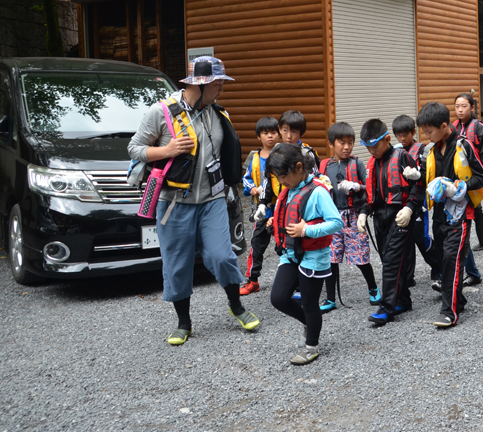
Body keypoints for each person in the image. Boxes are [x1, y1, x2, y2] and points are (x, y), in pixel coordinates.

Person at [127, 56, 259, 346]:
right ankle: (183, 323)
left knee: (222, 256)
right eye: (218, 84)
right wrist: (167, 150)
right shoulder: (160, 113)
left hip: (212, 200)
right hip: (174, 202)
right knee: (177, 263)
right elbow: (134, 149)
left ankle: (236, 306)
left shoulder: (217, 112)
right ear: (200, 85)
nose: (222, 89)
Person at [267, 143, 342, 365]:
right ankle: (309, 323)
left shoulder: (318, 192)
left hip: (313, 256)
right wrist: (274, 221)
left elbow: (335, 223)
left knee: (310, 303)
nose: (281, 182)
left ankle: (312, 346)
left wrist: (306, 230)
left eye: (284, 177)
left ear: (299, 167)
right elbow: (287, 215)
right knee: (278, 298)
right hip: (290, 253)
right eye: (278, 178)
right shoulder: (289, 190)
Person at [418, 102, 483, 327]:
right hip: (438, 214)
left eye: (430, 131)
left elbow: (482, 177)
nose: (427, 136)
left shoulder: (463, 145)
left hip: (459, 216)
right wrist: (416, 176)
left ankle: (449, 311)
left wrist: (458, 187)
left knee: (452, 260)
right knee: (442, 259)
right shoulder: (431, 149)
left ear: (443, 126)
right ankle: (458, 298)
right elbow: (426, 177)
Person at [359, 119, 423, 325]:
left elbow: (418, 184)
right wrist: (363, 213)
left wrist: (410, 208)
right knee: (389, 259)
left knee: (392, 263)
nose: (372, 151)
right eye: (368, 147)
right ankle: (403, 300)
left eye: (375, 146)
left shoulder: (402, 156)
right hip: (380, 218)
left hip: (400, 216)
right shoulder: (372, 162)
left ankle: (386, 308)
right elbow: (371, 194)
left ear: (387, 139)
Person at [318, 122, 381, 312]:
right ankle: (330, 298)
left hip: (353, 217)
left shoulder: (357, 163)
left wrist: (356, 187)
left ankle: (373, 288)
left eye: (350, 143)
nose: (347, 147)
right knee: (331, 259)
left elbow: (370, 188)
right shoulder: (324, 166)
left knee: (361, 256)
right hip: (331, 217)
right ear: (331, 144)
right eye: (342, 143)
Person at [391, 114, 442, 289]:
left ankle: (438, 267)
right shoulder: (395, 151)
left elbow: (430, 176)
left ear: (413, 132)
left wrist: (418, 175)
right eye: (399, 135)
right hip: (402, 203)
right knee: (405, 242)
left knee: (423, 240)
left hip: (419, 202)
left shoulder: (423, 150)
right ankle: (408, 275)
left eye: (405, 134)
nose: (402, 138)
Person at [239, 116, 281, 295]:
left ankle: (295, 280)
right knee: (257, 245)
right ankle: (252, 280)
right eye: (265, 133)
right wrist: (253, 188)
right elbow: (246, 179)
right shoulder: (254, 157)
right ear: (259, 137)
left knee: (283, 245)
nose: (270, 136)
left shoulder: (283, 154)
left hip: (281, 208)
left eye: (273, 132)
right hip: (262, 210)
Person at [453, 93, 483, 254]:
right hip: (459, 175)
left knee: (475, 206)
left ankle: (482, 239)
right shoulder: (454, 126)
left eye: (464, 106)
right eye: (457, 107)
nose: (460, 110)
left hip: (475, 175)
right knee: (474, 207)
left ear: (472, 107)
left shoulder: (478, 126)